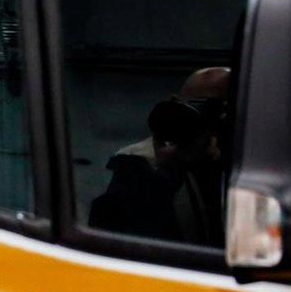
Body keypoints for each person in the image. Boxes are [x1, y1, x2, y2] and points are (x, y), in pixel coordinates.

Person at [89, 67, 230, 246]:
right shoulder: (138, 161)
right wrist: (167, 175)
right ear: (176, 105)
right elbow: (120, 234)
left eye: (223, 113)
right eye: (203, 107)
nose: (213, 121)